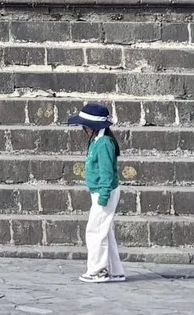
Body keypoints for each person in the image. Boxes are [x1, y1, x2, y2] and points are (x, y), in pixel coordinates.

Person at [69, 101, 126, 283]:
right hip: (100, 190)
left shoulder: (104, 144)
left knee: (95, 231)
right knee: (105, 231)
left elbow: (107, 172)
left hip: (105, 191)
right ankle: (115, 270)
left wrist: (103, 196)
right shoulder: (97, 140)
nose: (83, 129)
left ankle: (98, 271)